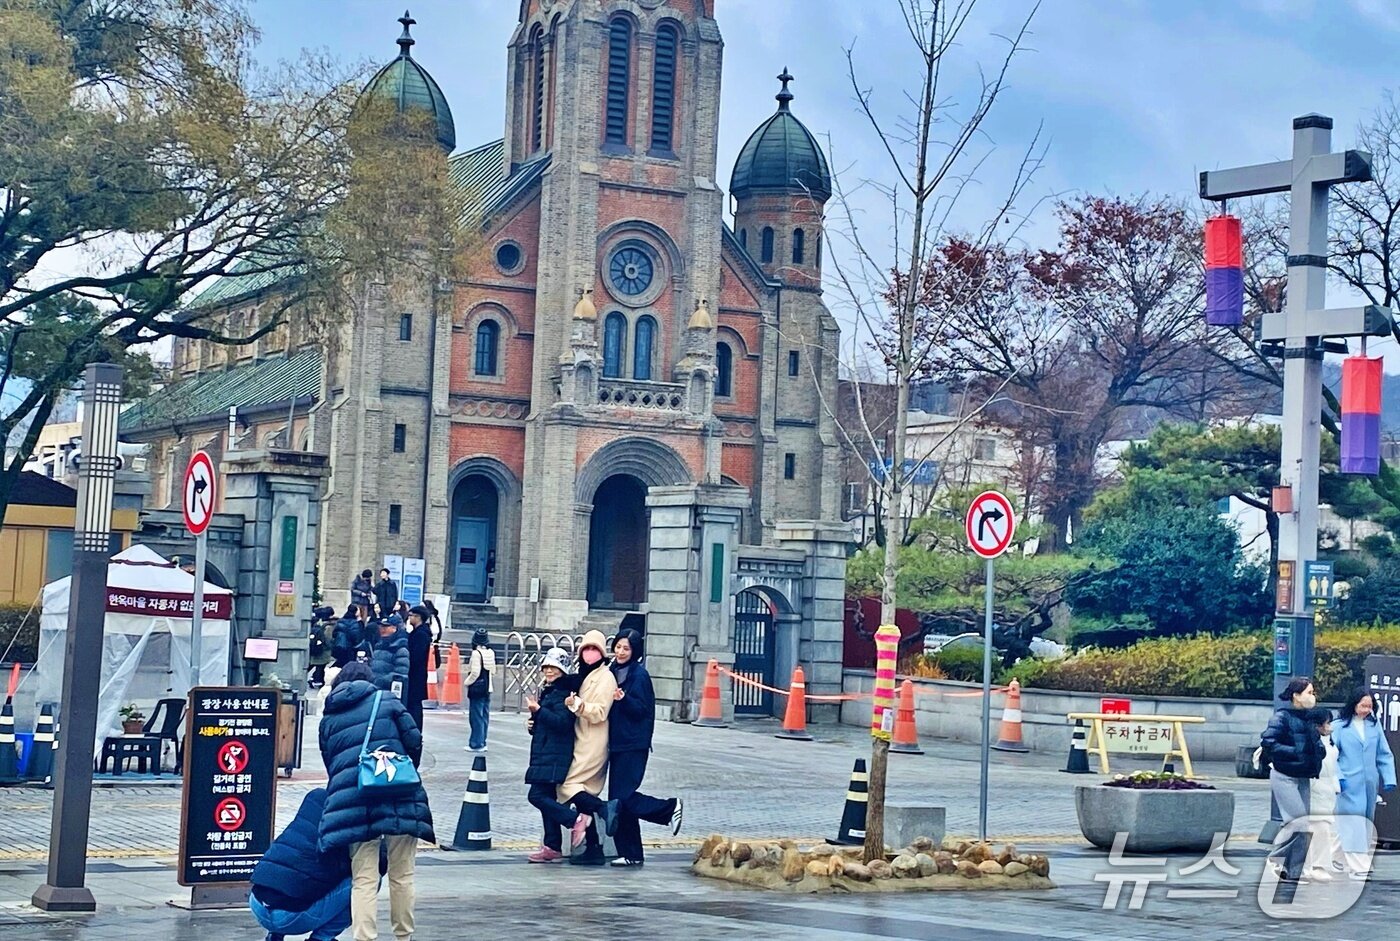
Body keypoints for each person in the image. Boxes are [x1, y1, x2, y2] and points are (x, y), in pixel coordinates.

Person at [318, 661, 433, 941]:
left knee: (364, 880)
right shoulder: (387, 701)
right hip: (400, 794)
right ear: (369, 681)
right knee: (402, 875)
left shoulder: (329, 717)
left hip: (354, 802)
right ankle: (403, 937)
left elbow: (331, 764)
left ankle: (364, 938)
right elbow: (414, 740)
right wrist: (399, 772)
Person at [596, 629, 683, 867]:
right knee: (618, 800)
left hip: (634, 744)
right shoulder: (611, 672)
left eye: (626, 648)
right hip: (615, 744)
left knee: (623, 797)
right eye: (618, 647)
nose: (621, 652)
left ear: (635, 651)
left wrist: (624, 699)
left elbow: (643, 711)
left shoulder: (639, 676)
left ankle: (669, 808)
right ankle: (632, 853)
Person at [248, 788, 353, 941]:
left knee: (291, 874)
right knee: (365, 880)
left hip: (258, 905)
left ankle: (274, 936)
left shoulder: (309, 807)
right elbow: (379, 865)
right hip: (291, 917)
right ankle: (322, 938)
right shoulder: (346, 824)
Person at [524, 647, 590, 863]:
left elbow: (563, 723)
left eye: (553, 667)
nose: (549, 671)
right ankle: (552, 846)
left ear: (562, 669)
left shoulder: (563, 693)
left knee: (536, 796)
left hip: (555, 754)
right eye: (546, 667)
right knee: (547, 798)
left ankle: (575, 820)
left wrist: (539, 711)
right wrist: (534, 722)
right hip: (546, 752)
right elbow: (546, 723)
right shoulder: (550, 691)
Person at [558, 630, 617, 865]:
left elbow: (601, 711)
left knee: (568, 786)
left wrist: (578, 705)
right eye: (586, 649)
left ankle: (604, 809)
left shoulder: (606, 677)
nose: (589, 654)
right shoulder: (585, 674)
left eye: (594, 649)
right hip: (581, 738)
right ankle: (594, 849)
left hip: (594, 741)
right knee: (584, 793)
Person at [1261, 677, 1325, 882]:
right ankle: (1275, 859)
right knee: (1298, 823)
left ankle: (1293, 872)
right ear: (1296, 695)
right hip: (1284, 776)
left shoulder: (1311, 719)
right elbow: (1268, 742)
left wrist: (1318, 751)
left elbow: (1315, 746)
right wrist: (1296, 752)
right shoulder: (1281, 717)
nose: (1312, 697)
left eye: (1313, 692)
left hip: (1303, 776)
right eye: (1309, 692)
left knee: (1303, 826)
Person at [1334, 688, 1398, 879]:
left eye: (1369, 706)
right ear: (1353, 704)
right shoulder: (1339, 727)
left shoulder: (1374, 726)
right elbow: (1331, 756)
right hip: (1347, 782)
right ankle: (1359, 865)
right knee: (1354, 822)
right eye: (1363, 705)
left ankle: (1335, 857)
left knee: (1362, 822)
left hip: (1369, 782)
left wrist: (1389, 778)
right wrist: (1338, 778)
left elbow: (1384, 753)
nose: (1366, 710)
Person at [1306, 709, 1343, 883]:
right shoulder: (1308, 740)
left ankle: (1316, 865)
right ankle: (1315, 866)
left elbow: (1333, 764)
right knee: (1318, 826)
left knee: (1323, 827)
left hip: (1328, 787)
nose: (1330, 727)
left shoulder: (1329, 741)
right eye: (1327, 723)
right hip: (1314, 786)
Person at [464, 629, 496, 751]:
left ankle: (476, 743)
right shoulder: (491, 652)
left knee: (476, 716)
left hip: (477, 688)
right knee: (484, 716)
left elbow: (475, 673)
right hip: (488, 687)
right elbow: (493, 670)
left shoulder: (476, 653)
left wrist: (467, 682)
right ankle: (482, 741)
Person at [403, 606, 434, 732]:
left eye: (412, 615)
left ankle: (415, 730)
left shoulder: (421, 634)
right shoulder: (417, 633)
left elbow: (416, 656)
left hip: (416, 674)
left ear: (418, 617)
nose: (409, 618)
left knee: (414, 704)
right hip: (416, 674)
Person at [370, 616, 411, 700]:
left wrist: (381, 681)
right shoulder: (378, 645)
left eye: (386, 626)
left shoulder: (400, 648)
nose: (382, 629)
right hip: (375, 689)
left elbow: (400, 673)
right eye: (381, 626)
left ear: (394, 628)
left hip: (388, 692)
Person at [307, 606, 335, 690]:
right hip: (323, 650)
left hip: (316, 648)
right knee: (320, 667)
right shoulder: (328, 627)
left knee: (314, 665)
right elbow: (328, 640)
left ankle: (313, 679)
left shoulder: (317, 624)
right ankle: (317, 681)